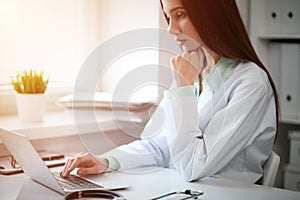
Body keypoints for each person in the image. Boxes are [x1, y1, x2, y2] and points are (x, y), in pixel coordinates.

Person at [61, 0, 279, 184]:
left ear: (211, 15)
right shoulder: (194, 72)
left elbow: (193, 165)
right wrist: (107, 161)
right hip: (183, 190)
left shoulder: (250, 82)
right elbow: (157, 144)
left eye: (180, 14)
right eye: (168, 17)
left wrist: (183, 86)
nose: (171, 28)